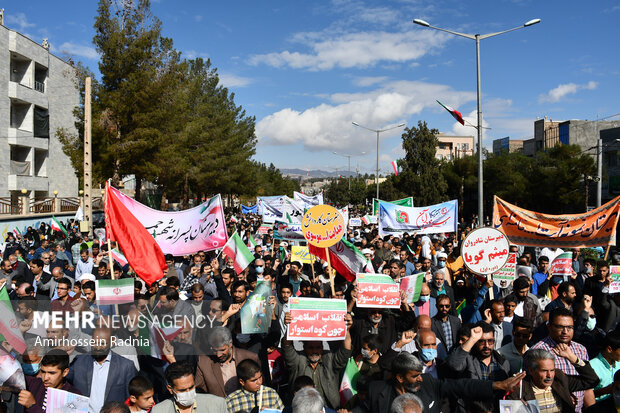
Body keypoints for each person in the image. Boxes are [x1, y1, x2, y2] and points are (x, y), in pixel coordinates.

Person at [364, 351, 524, 413]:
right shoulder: (376, 391)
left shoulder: (427, 382)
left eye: (420, 374)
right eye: (414, 376)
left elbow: (461, 386)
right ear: (399, 378)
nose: (420, 378)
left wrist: (497, 385)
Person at [282, 312, 353, 409]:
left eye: (318, 347)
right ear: (304, 347)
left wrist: (347, 329)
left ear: (322, 348)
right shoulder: (298, 360)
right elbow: (287, 346)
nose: (315, 351)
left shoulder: (329, 359)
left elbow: (346, 350)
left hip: (329, 408)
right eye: (311, 348)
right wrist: (289, 326)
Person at [531, 307, 590, 412]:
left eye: (569, 327)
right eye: (560, 327)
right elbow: (531, 388)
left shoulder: (581, 350)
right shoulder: (537, 351)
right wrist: (564, 397)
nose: (565, 332)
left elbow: (587, 387)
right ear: (549, 327)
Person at [67, 327, 138, 413]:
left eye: (102, 343)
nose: (97, 347)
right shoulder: (79, 361)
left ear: (112, 342)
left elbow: (131, 399)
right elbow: (62, 381)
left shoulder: (126, 366)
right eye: (94, 342)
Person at [507, 348, 599, 413]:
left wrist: (573, 358)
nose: (549, 375)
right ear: (531, 371)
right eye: (544, 371)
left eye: (552, 370)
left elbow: (592, 380)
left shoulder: (559, 378)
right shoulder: (519, 389)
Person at [195, 326, 260, 397]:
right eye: (214, 350)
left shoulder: (250, 358)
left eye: (222, 350)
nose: (218, 355)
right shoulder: (203, 362)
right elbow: (199, 391)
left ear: (230, 344)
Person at [151, 362, 226, 413]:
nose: (188, 393)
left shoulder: (217, 404)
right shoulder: (159, 410)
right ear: (170, 389)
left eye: (191, 387)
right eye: (182, 390)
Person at [587, 330, 620, 403]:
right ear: (609, 349)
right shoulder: (591, 367)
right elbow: (584, 395)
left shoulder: (618, 362)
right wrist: (606, 390)